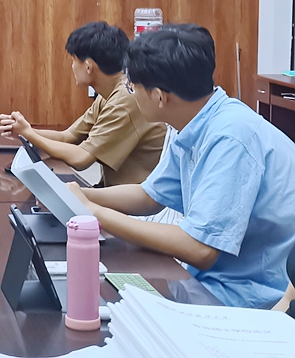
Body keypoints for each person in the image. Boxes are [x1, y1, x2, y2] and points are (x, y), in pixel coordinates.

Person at [68, 24, 295, 309]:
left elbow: (200, 249)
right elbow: (150, 196)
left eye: (132, 87)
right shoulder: (194, 120)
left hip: (247, 298)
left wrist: (95, 213)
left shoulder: (231, 137)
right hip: (207, 282)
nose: (131, 94)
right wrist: (82, 196)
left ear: (159, 96)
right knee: (112, 295)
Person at [0, 22, 166, 186]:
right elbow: (67, 137)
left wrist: (29, 133)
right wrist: (23, 130)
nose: (72, 66)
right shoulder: (109, 94)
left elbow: (81, 158)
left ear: (88, 66)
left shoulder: (125, 100)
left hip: (137, 201)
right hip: (116, 192)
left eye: (74, 60)